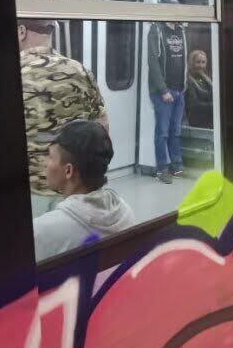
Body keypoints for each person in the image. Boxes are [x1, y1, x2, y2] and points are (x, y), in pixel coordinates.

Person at [19, 18, 108, 202]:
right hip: (76, 188)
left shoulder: (11, 73)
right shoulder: (79, 70)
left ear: (21, 31)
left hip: (32, 191)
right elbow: (102, 127)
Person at [32, 120, 135, 262]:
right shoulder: (124, 211)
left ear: (68, 170)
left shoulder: (42, 230)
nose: (45, 162)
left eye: (50, 156)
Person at [147, 19, 187, 183]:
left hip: (178, 89)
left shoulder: (181, 31)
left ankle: (176, 166)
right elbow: (153, 62)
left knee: (175, 132)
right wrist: (163, 90)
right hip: (164, 90)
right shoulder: (157, 30)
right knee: (162, 133)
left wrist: (184, 87)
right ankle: (162, 169)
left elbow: (184, 59)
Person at [184, 49, 214, 128]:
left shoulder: (207, 78)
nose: (201, 65)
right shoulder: (187, 80)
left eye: (203, 62)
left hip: (209, 117)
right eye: (198, 62)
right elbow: (195, 104)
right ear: (191, 63)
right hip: (197, 120)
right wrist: (214, 106)